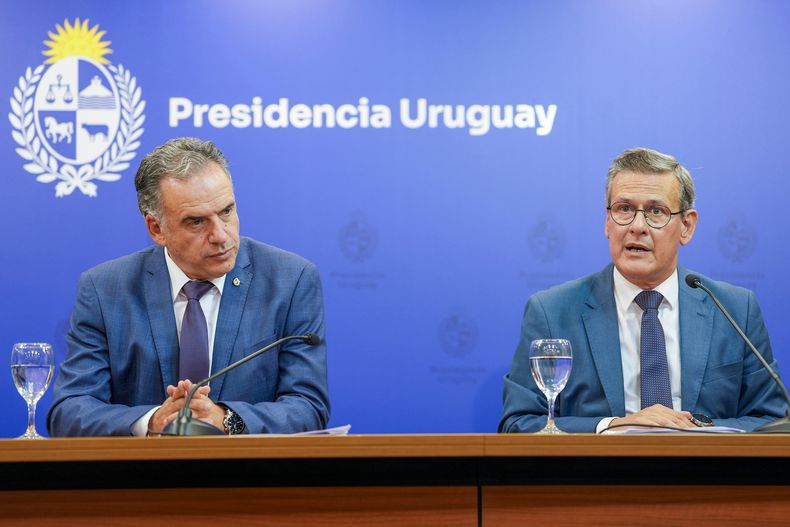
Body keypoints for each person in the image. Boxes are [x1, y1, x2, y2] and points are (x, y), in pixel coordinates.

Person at [48, 137, 330, 436]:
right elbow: (70, 410)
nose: (221, 235)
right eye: (196, 222)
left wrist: (226, 419)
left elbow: (308, 407)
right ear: (156, 228)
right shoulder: (105, 289)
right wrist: (153, 421)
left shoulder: (291, 280)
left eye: (226, 211)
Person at [499, 147, 787, 433]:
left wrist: (690, 431)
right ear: (607, 222)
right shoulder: (552, 312)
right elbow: (520, 423)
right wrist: (615, 426)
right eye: (624, 209)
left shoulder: (734, 309)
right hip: (600, 464)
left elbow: (773, 421)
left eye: (656, 211)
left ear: (686, 226)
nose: (637, 226)